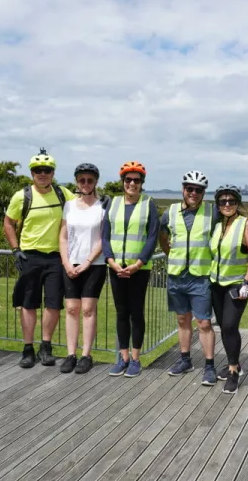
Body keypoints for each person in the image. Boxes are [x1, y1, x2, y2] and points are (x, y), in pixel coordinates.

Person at [160, 171, 248, 386]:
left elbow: (237, 219)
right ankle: (185, 360)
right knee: (182, 319)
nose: (193, 193)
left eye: (198, 190)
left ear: (204, 193)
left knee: (205, 322)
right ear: (183, 189)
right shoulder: (171, 212)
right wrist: (171, 254)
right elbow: (161, 235)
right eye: (190, 188)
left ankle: (210, 366)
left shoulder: (212, 212)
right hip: (179, 276)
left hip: (202, 277)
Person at [3, 148, 75, 369]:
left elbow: (82, 207)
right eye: (38, 170)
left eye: (47, 170)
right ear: (32, 173)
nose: (42, 174)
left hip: (55, 257)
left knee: (53, 304)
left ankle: (46, 346)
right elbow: (8, 223)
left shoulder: (64, 194)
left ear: (53, 173)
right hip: (30, 256)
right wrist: (16, 249)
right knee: (28, 304)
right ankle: (27, 349)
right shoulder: (21, 196)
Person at [102, 161, 159, 377]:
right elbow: (105, 235)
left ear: (142, 183)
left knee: (136, 313)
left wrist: (138, 264)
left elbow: (152, 237)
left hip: (139, 269)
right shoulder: (113, 203)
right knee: (121, 312)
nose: (132, 183)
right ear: (123, 182)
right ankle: (122, 357)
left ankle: (135, 359)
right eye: (128, 180)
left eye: (136, 180)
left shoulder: (148, 204)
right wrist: (111, 261)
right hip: (116, 268)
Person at [209, 184, 248, 394]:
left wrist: (247, 283)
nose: (227, 204)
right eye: (223, 201)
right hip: (216, 283)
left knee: (230, 326)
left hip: (236, 285)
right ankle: (235, 363)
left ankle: (233, 372)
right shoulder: (218, 224)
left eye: (231, 201)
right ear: (218, 205)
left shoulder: (247, 225)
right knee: (223, 326)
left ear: (238, 203)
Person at [58, 163, 107, 374]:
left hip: (94, 264)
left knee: (87, 310)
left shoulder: (102, 207)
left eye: (89, 180)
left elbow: (103, 238)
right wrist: (66, 263)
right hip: (71, 263)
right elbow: (63, 236)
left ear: (95, 182)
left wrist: (87, 261)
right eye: (81, 180)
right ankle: (71, 354)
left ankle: (86, 354)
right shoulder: (69, 206)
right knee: (71, 309)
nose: (85, 184)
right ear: (76, 181)